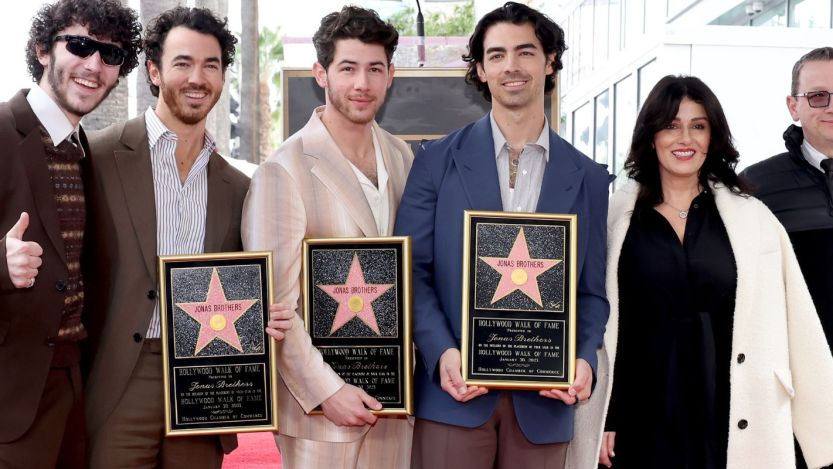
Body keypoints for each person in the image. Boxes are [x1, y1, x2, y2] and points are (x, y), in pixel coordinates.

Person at [573, 75, 833, 469]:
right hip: (643, 413)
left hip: (733, 408)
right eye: (671, 125)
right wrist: (607, 414)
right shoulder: (615, 220)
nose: (685, 138)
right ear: (651, 135)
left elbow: (798, 326)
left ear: (713, 137)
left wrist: (819, 429)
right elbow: (602, 325)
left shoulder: (752, 218)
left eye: (698, 126)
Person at [393, 3, 610, 468]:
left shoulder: (588, 177)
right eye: (496, 55)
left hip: (545, 405)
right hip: (454, 397)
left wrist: (584, 359)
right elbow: (411, 271)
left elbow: (592, 293)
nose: (511, 66)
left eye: (525, 52)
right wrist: (440, 351)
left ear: (550, 61)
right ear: (481, 69)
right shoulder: (434, 161)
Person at [81, 7, 293, 468]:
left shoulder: (238, 186)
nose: (197, 77)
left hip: (206, 377)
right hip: (117, 376)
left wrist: (263, 315)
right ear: (154, 71)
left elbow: (242, 280)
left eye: (211, 65)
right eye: (182, 63)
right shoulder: (98, 157)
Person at [241, 6, 414, 469]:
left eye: (375, 69)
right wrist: (327, 391)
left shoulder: (404, 159)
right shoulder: (284, 168)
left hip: (395, 404)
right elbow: (274, 305)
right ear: (321, 73)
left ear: (390, 75)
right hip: (321, 417)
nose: (362, 83)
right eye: (348, 68)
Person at [0, 0, 141, 466]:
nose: (94, 65)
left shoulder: (87, 152)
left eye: (111, 54)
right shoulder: (2, 131)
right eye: (79, 46)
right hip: (12, 393)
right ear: (43, 49)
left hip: (75, 384)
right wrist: (1, 266)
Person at [741, 48, 833, 469]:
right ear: (793, 105)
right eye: (818, 96)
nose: (830, 106)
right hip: (796, 391)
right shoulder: (755, 187)